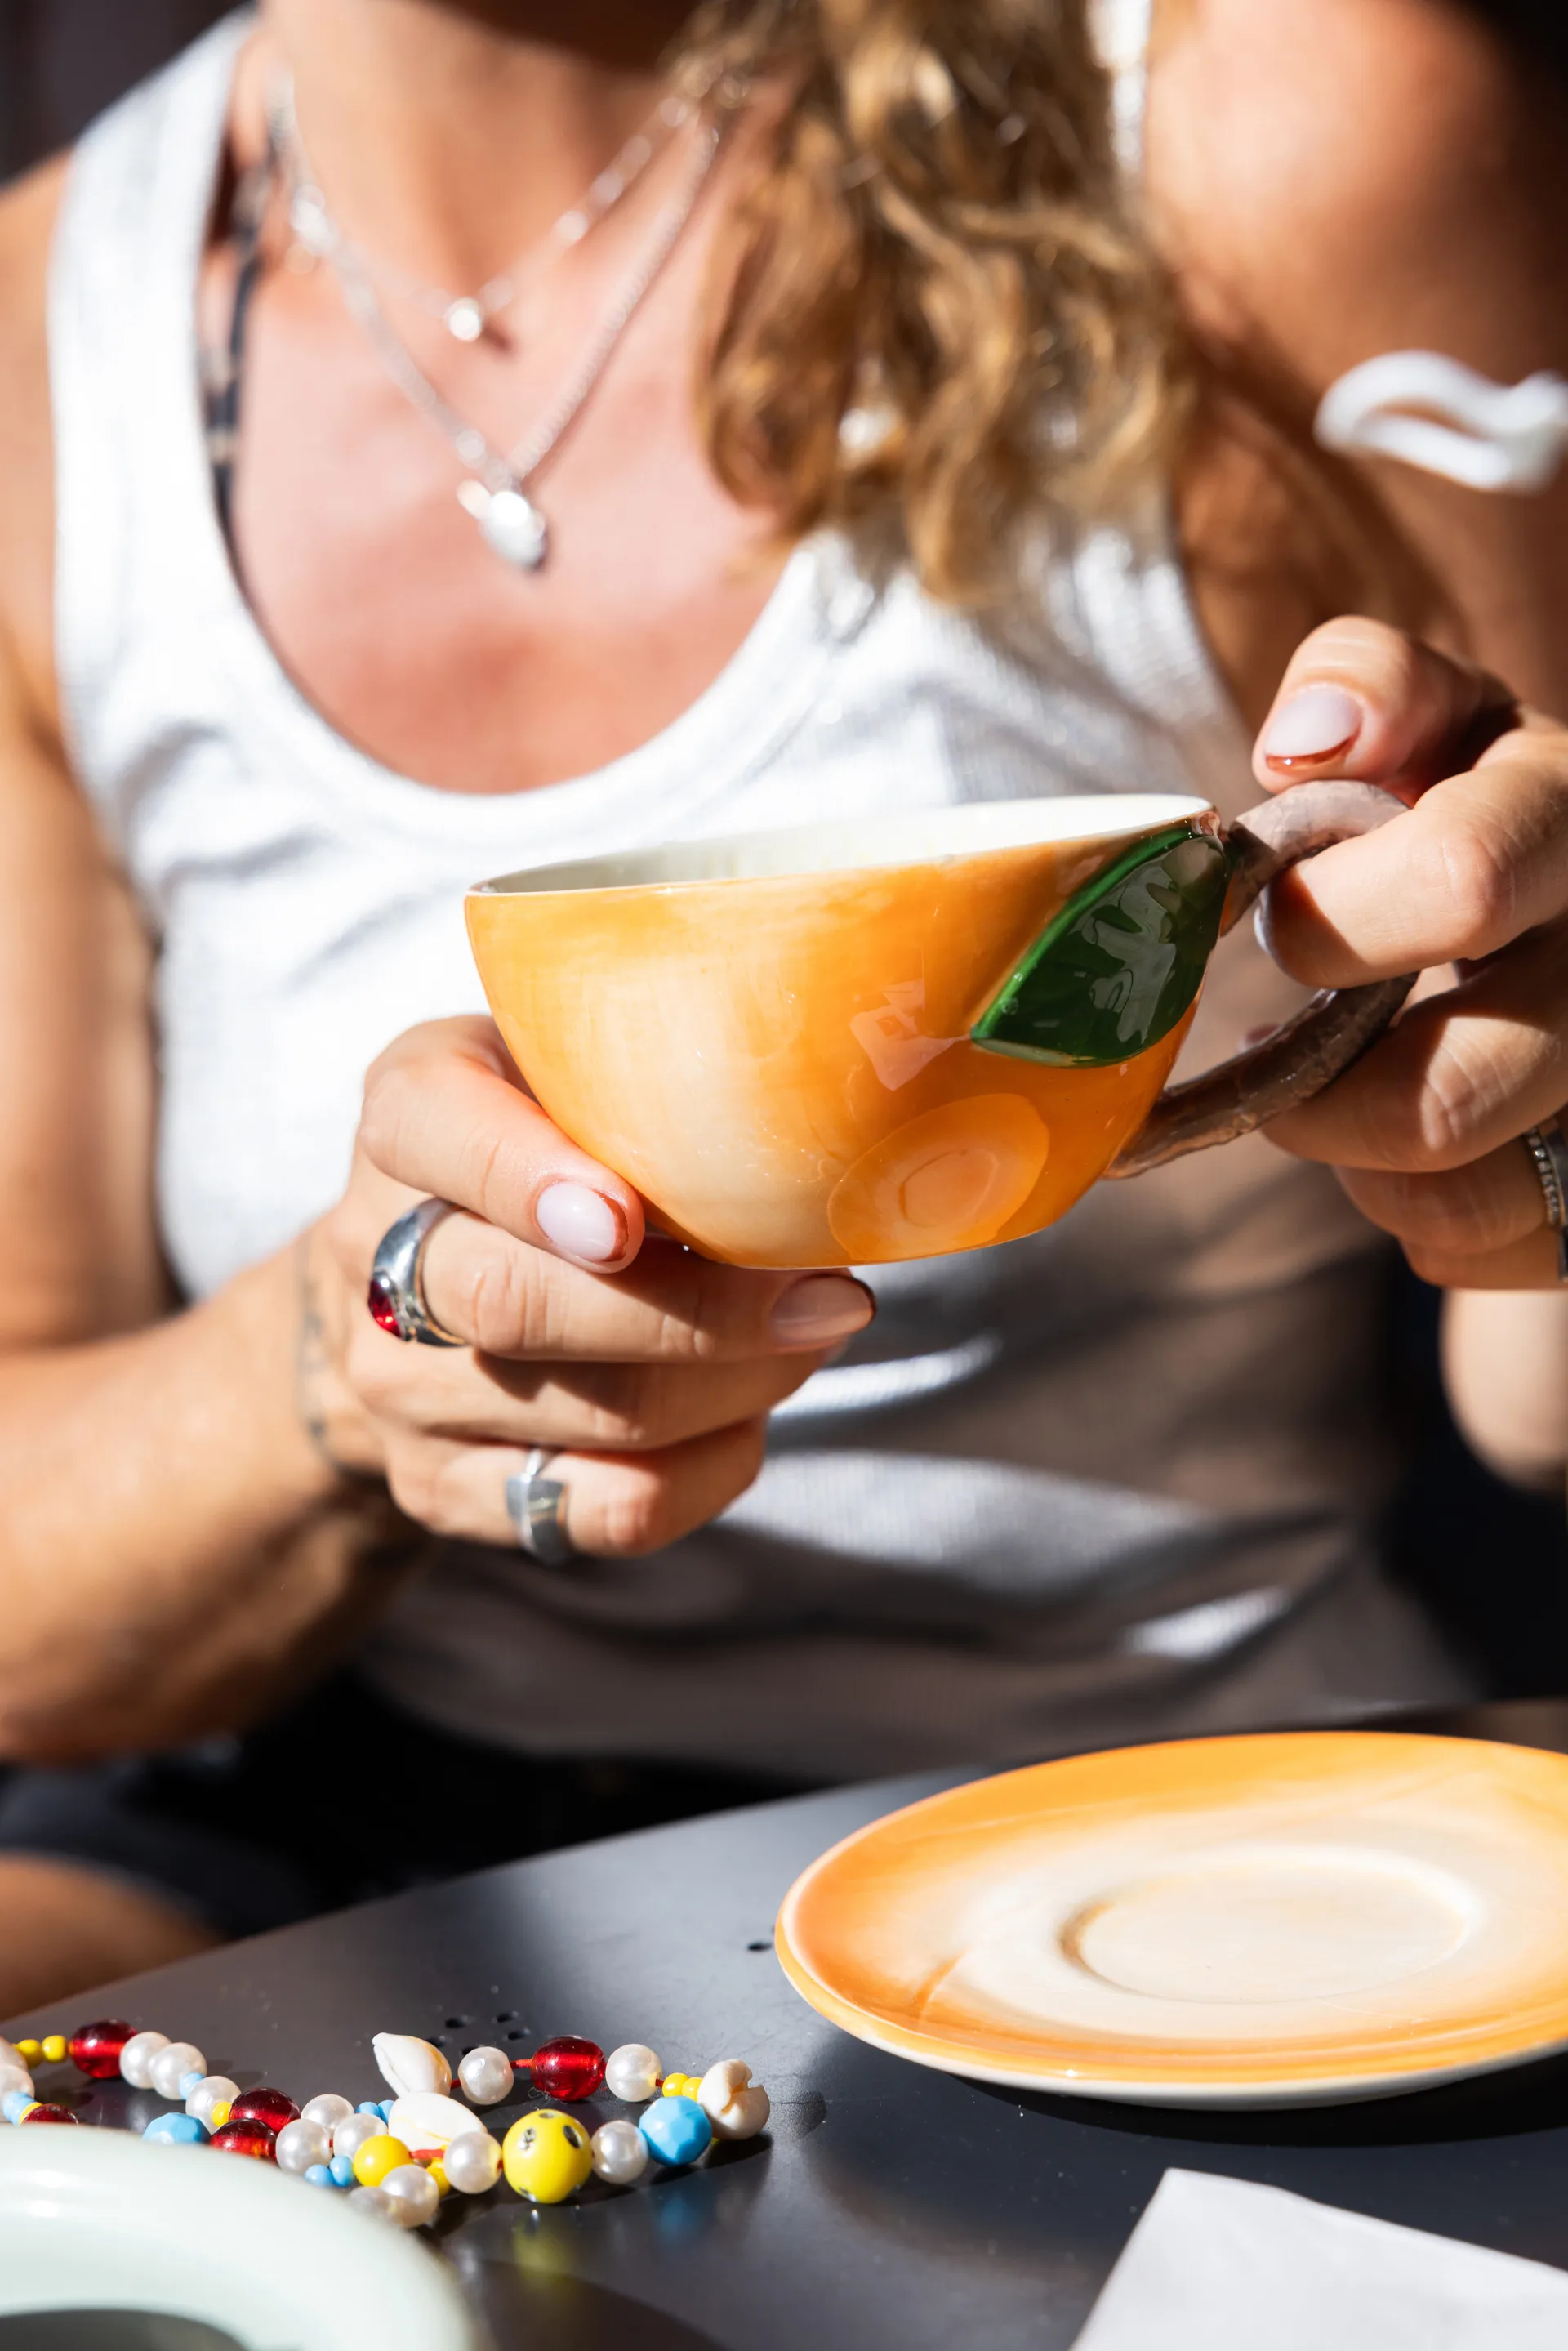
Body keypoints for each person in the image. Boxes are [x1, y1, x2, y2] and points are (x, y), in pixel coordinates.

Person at [0, 0, 1565, 2011]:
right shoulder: (52, 342)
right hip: (366, 1852)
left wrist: (1532, 1161)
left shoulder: (1266, 125)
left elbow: (1531, 1293)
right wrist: (346, 1354)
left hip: (1194, 1814)